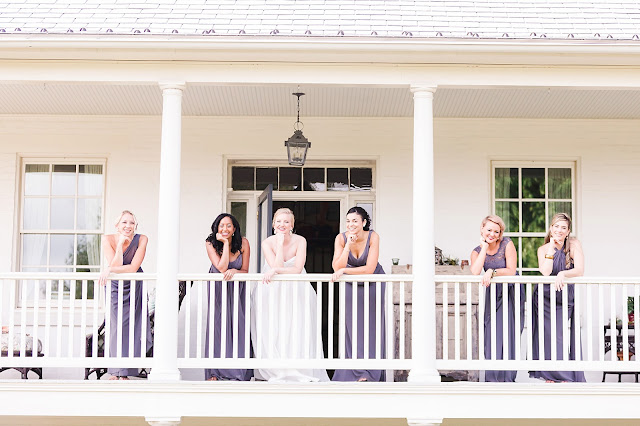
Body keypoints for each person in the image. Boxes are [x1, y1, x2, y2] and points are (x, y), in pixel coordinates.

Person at [250, 208, 329, 382]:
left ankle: (299, 366)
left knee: (297, 325)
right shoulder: (267, 243)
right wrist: (279, 244)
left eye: (286, 222)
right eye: (279, 221)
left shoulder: (301, 241)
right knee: (274, 326)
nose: (282, 225)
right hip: (272, 290)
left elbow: (297, 269)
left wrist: (276, 270)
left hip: (296, 289)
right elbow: (275, 264)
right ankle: (277, 369)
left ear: (292, 224)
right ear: (273, 224)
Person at [331, 207, 386, 382]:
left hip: (373, 282)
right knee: (351, 325)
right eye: (348, 221)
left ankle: (371, 372)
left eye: (355, 221)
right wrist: (347, 245)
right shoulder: (340, 238)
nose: (351, 224)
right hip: (350, 283)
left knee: (372, 326)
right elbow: (336, 266)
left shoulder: (373, 237)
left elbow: (369, 269)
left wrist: (345, 270)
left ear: (363, 222)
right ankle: (354, 371)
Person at [530, 213, 586, 383]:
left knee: (560, 334)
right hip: (545, 297)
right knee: (547, 335)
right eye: (556, 226)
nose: (559, 230)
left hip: (564, 295)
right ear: (551, 228)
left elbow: (580, 270)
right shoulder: (543, 249)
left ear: (568, 231)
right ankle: (550, 376)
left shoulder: (574, 245)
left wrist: (563, 273)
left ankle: (564, 375)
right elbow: (546, 271)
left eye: (563, 227)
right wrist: (551, 250)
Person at [98, 210, 151, 380]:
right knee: (115, 326)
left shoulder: (142, 239)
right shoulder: (107, 239)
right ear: (117, 225)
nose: (128, 226)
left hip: (134, 284)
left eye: (131, 223)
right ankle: (115, 371)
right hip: (115, 286)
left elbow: (133, 268)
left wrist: (109, 269)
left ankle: (127, 372)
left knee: (132, 327)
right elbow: (118, 263)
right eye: (124, 222)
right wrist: (120, 244)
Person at [470, 215, 523, 382]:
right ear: (482, 229)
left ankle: (508, 377)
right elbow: (475, 271)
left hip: (510, 291)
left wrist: (492, 272)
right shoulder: (476, 251)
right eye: (489, 230)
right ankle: (493, 377)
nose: (492, 234)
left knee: (508, 331)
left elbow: (511, 270)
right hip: (492, 293)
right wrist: (484, 248)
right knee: (491, 332)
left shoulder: (507, 244)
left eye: (496, 231)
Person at [204, 213, 252, 381]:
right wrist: (224, 243)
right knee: (218, 325)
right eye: (221, 225)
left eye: (228, 226)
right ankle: (215, 372)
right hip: (219, 287)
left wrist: (236, 271)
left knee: (238, 324)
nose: (225, 229)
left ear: (234, 228)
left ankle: (238, 372)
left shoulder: (244, 243)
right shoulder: (210, 243)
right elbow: (222, 267)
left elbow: (245, 270)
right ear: (217, 228)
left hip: (237, 288)